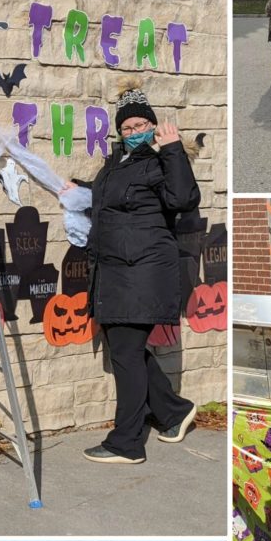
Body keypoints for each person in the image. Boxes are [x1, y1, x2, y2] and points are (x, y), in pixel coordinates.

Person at [81, 80, 200, 465]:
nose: (133, 133)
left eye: (139, 125)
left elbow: (183, 199)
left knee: (127, 355)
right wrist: (77, 190)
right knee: (127, 351)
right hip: (116, 272)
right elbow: (111, 208)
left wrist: (173, 150)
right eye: (126, 128)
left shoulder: (160, 160)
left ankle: (127, 443)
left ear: (152, 125)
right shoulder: (118, 163)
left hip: (143, 272)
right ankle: (173, 411)